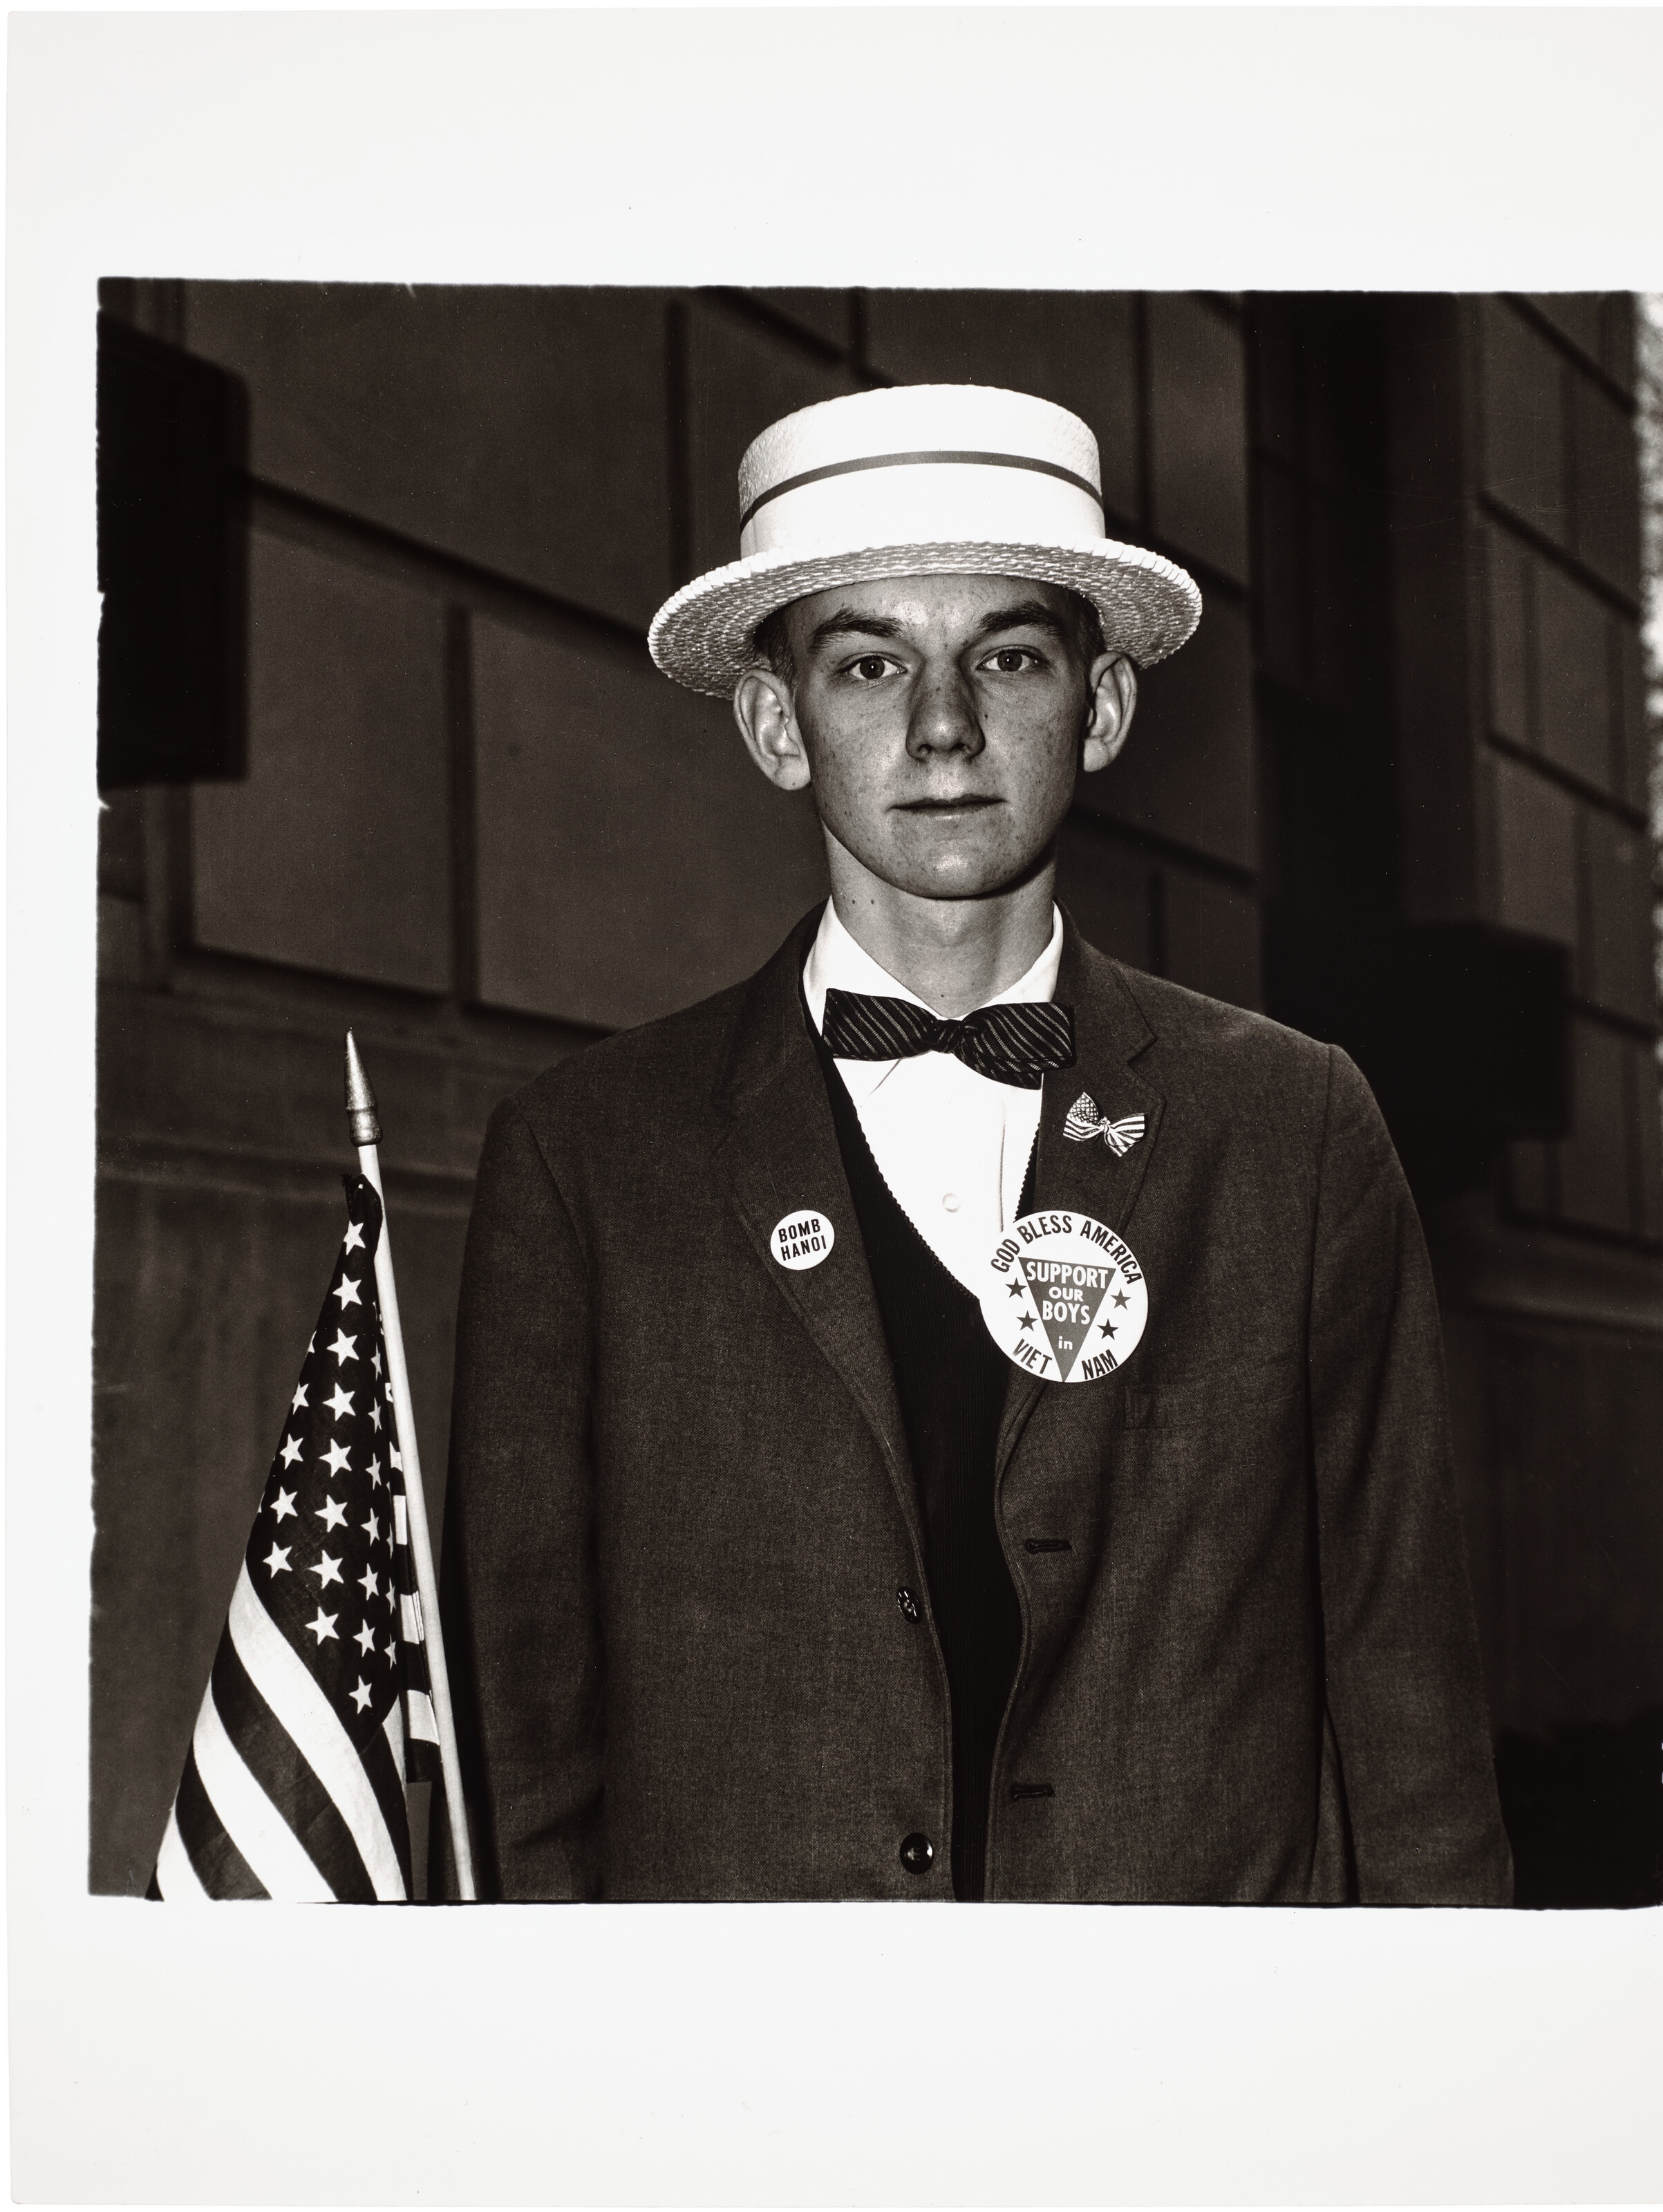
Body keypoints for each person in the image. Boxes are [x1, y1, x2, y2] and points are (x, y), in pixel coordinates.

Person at [440, 382, 1514, 1905]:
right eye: (869, 662)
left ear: (1105, 703)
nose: (942, 727)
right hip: (759, 2075)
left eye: (1006, 656)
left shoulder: (1293, 1129)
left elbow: (1408, 1711)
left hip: (1177, 2068)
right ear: (776, 723)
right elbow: (524, 1749)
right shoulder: (589, 1161)